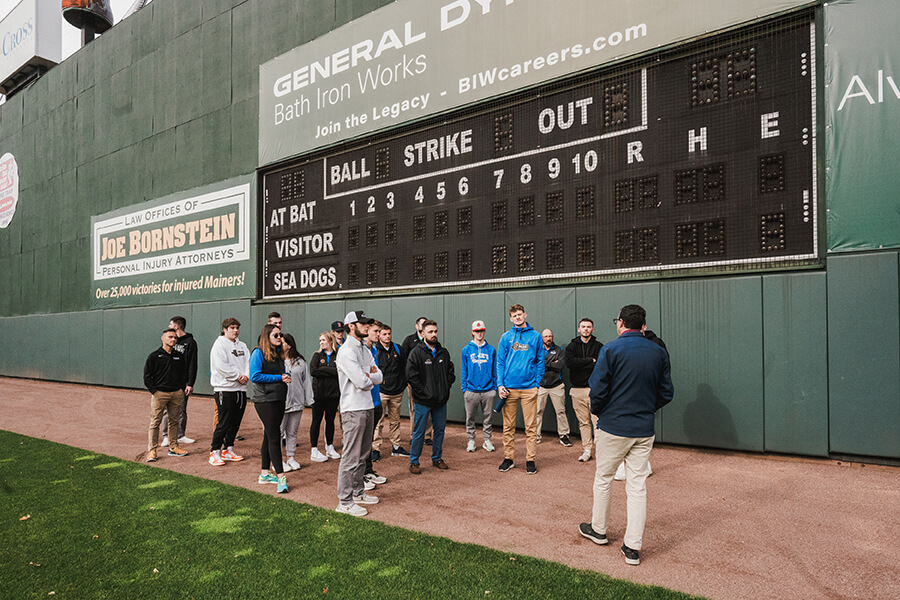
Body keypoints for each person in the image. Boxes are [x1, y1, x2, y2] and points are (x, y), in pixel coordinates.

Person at [579, 305, 673, 566]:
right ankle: (632, 547)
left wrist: (602, 412)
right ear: (643, 325)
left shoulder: (611, 349)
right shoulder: (658, 351)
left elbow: (597, 390)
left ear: (621, 323)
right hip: (643, 428)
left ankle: (599, 530)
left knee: (604, 479)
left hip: (614, 426)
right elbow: (666, 392)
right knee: (637, 487)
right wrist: (647, 409)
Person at [334, 310, 382, 516]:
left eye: (367, 323)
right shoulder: (346, 351)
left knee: (363, 455)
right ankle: (344, 501)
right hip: (353, 409)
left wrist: (367, 375)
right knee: (351, 456)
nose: (367, 326)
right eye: (362, 323)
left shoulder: (364, 349)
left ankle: (358, 492)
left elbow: (379, 376)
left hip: (367, 406)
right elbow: (363, 382)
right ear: (351, 326)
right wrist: (368, 374)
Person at [495, 304, 545, 474]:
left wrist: (536, 384)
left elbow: (540, 361)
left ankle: (530, 460)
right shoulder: (506, 337)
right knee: (508, 427)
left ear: (525, 315)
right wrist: (500, 384)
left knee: (530, 427)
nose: (517, 317)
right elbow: (500, 362)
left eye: (519, 314)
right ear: (511, 318)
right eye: (514, 315)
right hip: (509, 389)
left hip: (529, 389)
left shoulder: (536, 336)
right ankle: (508, 458)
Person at [613, 325, 667, 481]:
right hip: (630, 396)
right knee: (632, 432)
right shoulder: (626, 342)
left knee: (639, 434)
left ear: (643, 326)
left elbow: (662, 374)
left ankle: (639, 465)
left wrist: (651, 403)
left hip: (646, 397)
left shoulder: (655, 344)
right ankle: (639, 465)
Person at [406, 319, 455, 474]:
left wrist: (445, 388)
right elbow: (411, 376)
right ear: (423, 334)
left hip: (440, 401)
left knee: (439, 431)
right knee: (419, 432)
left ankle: (437, 458)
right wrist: (423, 392)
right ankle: (414, 461)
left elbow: (450, 372)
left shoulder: (443, 352)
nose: (434, 334)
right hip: (423, 401)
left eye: (435, 331)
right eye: (430, 332)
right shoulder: (416, 352)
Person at [249, 324, 291, 494]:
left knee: (269, 434)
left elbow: (282, 373)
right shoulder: (258, 353)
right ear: (267, 337)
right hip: (265, 400)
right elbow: (254, 376)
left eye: (280, 334)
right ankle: (281, 477)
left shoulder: (278, 354)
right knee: (275, 436)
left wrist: (285, 377)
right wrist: (279, 377)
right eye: (276, 335)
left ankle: (265, 474)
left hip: (279, 397)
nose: (280, 338)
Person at [208, 317, 249, 467]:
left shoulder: (242, 346)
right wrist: (238, 376)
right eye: (232, 328)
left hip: (240, 390)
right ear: (225, 329)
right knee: (223, 422)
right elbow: (221, 366)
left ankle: (228, 449)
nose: (235, 331)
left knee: (235, 422)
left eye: (237, 328)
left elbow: (248, 363)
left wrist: (246, 376)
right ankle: (214, 452)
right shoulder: (219, 345)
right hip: (224, 389)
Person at [144, 329, 190, 462]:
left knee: (174, 421)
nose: (173, 340)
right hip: (160, 394)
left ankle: (173, 447)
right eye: (170, 337)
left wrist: (180, 389)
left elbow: (184, 374)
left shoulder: (179, 356)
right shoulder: (154, 356)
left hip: (176, 393)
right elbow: (147, 376)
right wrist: (155, 391)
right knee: (155, 422)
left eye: (175, 338)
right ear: (162, 338)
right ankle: (152, 450)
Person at [565, 318, 603, 462]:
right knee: (583, 423)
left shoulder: (599, 346)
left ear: (592, 329)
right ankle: (587, 450)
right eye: (583, 326)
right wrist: (589, 360)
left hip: (594, 390)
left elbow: (600, 365)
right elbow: (570, 363)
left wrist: (580, 364)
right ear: (579, 329)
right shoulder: (571, 346)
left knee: (598, 423)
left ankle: (601, 451)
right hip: (577, 390)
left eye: (588, 327)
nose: (586, 329)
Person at [160, 316, 197, 446]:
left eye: (171, 324)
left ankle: (180, 435)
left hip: (182, 382)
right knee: (167, 410)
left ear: (177, 326)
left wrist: (190, 383)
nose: (169, 326)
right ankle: (166, 436)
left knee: (181, 409)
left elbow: (193, 364)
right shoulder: (169, 340)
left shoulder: (190, 342)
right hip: (168, 381)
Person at [374, 324, 410, 458]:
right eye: (384, 334)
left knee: (395, 421)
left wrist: (403, 384)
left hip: (397, 392)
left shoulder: (398, 348)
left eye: (389, 334)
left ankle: (396, 447)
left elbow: (405, 368)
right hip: (381, 392)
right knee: (378, 422)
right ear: (379, 335)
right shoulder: (375, 350)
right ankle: (375, 449)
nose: (387, 336)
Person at [460, 319, 496, 452]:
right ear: (472, 332)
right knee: (470, 418)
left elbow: (495, 370)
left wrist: (494, 388)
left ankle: (487, 440)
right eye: (476, 331)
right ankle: (471, 440)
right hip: (471, 390)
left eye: (481, 331)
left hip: (488, 390)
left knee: (488, 417)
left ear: (484, 331)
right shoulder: (466, 350)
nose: (479, 333)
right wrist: (464, 388)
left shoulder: (491, 350)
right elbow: (464, 370)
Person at [280, 333, 314, 473]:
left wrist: (309, 399)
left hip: (297, 402)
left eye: (282, 342)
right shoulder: (276, 360)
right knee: (279, 432)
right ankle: (278, 460)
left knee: (292, 432)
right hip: (281, 403)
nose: (280, 344)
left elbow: (306, 382)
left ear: (289, 345)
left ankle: (291, 457)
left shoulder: (300, 361)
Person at [309, 331, 341, 462]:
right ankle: (314, 449)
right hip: (318, 395)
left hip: (333, 395)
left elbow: (340, 371)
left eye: (324, 340)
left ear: (330, 341)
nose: (321, 343)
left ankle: (330, 447)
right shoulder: (317, 355)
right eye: (320, 340)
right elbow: (313, 371)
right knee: (316, 420)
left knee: (330, 421)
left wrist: (323, 370)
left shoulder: (338, 355)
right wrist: (330, 371)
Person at [536, 328, 571, 447]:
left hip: (556, 385)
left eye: (550, 336)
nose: (548, 338)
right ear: (542, 338)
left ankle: (564, 435)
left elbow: (560, 366)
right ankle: (536, 436)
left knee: (561, 411)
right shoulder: (537, 350)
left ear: (553, 337)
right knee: (537, 412)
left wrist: (544, 363)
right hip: (540, 386)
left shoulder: (559, 350)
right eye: (546, 336)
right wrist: (552, 363)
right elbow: (535, 365)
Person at [363, 321, 387, 486]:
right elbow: (364, 376)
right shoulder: (361, 351)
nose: (378, 334)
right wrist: (374, 375)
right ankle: (361, 476)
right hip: (364, 403)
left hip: (376, 401)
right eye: (376, 331)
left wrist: (374, 375)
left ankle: (368, 470)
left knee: (369, 440)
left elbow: (378, 375)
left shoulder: (374, 350)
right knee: (362, 443)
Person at [401, 316, 432, 445]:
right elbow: (403, 361)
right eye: (422, 324)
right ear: (417, 326)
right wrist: (408, 379)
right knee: (414, 409)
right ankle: (414, 435)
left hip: (428, 381)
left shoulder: (430, 341)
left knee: (429, 408)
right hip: (413, 382)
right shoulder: (409, 340)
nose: (423, 326)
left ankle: (427, 436)